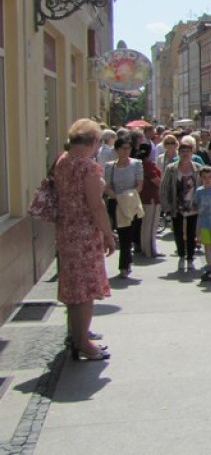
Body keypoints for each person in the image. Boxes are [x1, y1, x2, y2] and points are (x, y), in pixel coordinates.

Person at [55, 119, 114, 361]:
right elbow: (96, 205)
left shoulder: (62, 161)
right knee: (86, 290)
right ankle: (83, 342)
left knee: (72, 287)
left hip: (66, 230)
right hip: (85, 234)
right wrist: (109, 234)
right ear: (93, 142)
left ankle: (77, 333)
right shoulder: (88, 167)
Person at [160, 135, 203, 272]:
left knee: (191, 233)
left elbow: (202, 186)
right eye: (182, 152)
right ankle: (181, 256)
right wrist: (165, 205)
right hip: (176, 204)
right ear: (179, 153)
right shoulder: (171, 168)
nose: (185, 154)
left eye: (188, 152)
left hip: (193, 205)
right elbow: (164, 187)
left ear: (192, 153)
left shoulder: (197, 168)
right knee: (178, 232)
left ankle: (190, 258)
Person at [104, 137, 144, 279]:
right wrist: (116, 196)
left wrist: (128, 195)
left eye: (129, 148)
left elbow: (139, 184)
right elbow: (107, 186)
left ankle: (125, 264)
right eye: (123, 148)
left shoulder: (136, 164)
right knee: (122, 234)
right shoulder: (110, 166)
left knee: (128, 234)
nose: (126, 151)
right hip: (116, 203)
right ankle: (126, 263)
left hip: (131, 202)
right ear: (117, 150)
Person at [137, 143, 163, 258]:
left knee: (145, 224)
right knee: (151, 224)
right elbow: (156, 180)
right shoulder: (148, 164)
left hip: (143, 196)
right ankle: (150, 250)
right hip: (152, 196)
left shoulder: (137, 163)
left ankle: (145, 248)